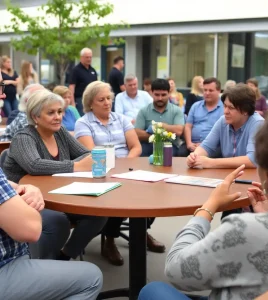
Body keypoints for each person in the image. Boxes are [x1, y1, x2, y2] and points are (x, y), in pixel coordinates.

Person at [139, 104, 268, 300]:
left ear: (267, 173)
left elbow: (175, 270)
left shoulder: (245, 230)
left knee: (152, 290)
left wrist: (207, 208)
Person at [0, 87, 103, 300]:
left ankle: (64, 256)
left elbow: (87, 155)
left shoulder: (61, 134)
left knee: (99, 213)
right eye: (51, 112)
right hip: (29, 201)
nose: (58, 117)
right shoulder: (24, 137)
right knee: (57, 222)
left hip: (64, 194)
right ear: (35, 116)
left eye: (60, 111)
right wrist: (75, 166)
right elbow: (35, 165)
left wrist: (76, 164)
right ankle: (43, 268)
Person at [74, 81, 161, 265]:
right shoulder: (83, 123)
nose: (107, 103)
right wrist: (114, 168)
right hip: (100, 171)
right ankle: (110, 241)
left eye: (109, 98)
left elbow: (136, 147)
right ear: (90, 103)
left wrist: (125, 165)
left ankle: (141, 231)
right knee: (115, 196)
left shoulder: (120, 119)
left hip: (127, 167)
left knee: (155, 189)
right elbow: (91, 151)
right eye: (101, 99)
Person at [187, 83, 264, 169]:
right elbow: (206, 146)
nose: (225, 111)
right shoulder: (222, 121)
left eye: (231, 108)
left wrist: (211, 163)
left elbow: (252, 160)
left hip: (251, 178)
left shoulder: (258, 123)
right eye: (225, 106)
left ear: (245, 110)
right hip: (228, 175)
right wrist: (194, 157)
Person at [135, 78, 185, 157]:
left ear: (169, 93)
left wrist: (160, 125)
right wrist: (159, 136)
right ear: (151, 93)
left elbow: (178, 130)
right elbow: (137, 133)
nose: (160, 98)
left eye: (163, 95)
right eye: (157, 95)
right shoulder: (144, 111)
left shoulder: (176, 110)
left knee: (167, 156)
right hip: (148, 145)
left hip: (169, 145)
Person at [179, 77, 223, 157]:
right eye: (205, 90)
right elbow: (188, 126)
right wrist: (189, 144)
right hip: (193, 143)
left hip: (214, 145)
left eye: (210, 90)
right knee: (180, 153)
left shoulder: (224, 108)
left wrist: (204, 145)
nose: (207, 93)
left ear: (219, 91)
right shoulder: (195, 106)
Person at [69, 48, 97, 116]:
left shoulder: (92, 70)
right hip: (80, 100)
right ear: (81, 57)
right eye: (87, 57)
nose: (89, 59)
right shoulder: (76, 70)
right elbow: (71, 87)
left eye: (90, 57)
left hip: (92, 100)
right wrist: (72, 103)